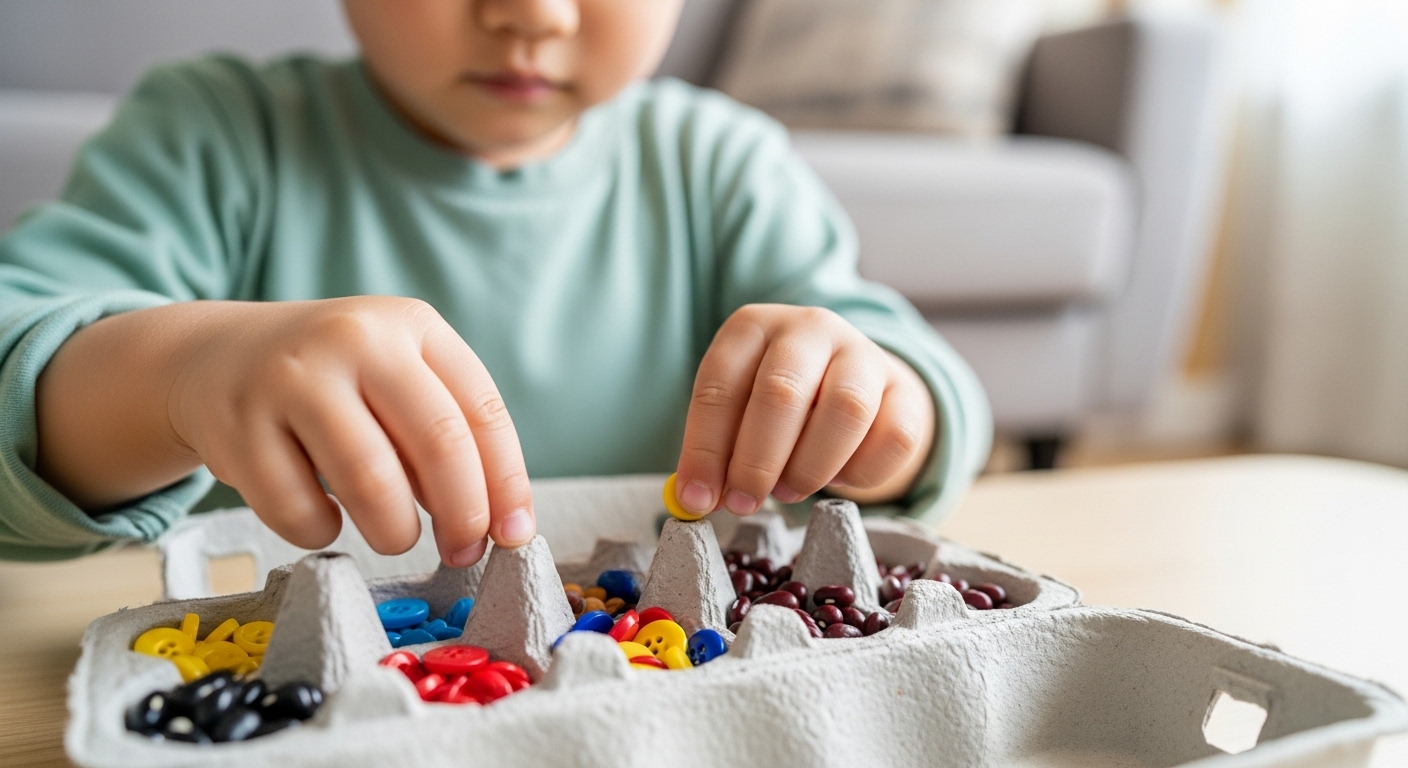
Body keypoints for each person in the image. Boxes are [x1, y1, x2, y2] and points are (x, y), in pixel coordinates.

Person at [0, 0, 990, 565]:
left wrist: (880, 412)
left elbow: (906, 383)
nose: (530, 14)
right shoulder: (212, 134)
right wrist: (181, 376)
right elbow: (24, 355)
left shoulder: (721, 165)